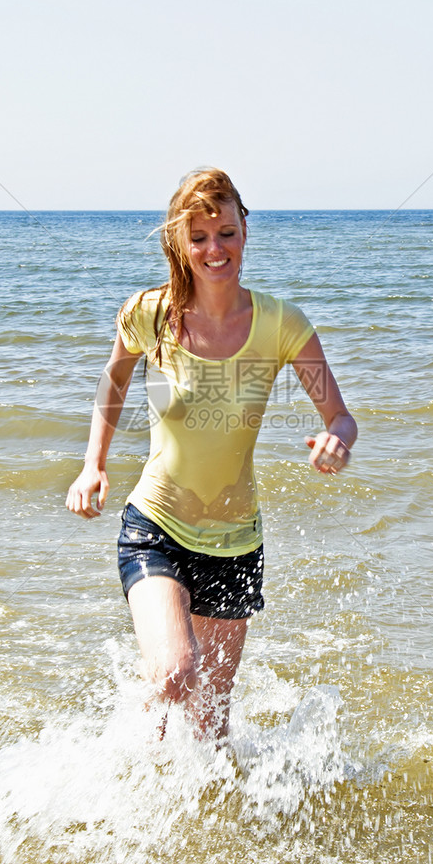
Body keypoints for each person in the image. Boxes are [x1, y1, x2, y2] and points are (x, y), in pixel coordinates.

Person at [66, 169, 357, 743]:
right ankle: (130, 773)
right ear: (179, 242)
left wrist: (337, 443)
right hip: (156, 524)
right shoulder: (151, 314)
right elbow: (114, 381)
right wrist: (92, 463)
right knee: (175, 673)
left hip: (235, 540)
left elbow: (339, 416)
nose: (213, 248)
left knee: (210, 724)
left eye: (225, 232)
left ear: (245, 228)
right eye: (198, 236)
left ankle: (207, 820)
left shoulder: (281, 324)